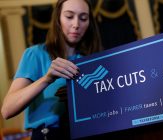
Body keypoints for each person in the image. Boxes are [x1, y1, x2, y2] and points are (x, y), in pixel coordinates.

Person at [1, 0, 102, 139]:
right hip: (49, 135)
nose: (76, 24)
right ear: (58, 19)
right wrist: (47, 79)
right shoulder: (36, 54)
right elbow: (7, 110)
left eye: (83, 18)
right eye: (69, 16)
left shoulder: (93, 60)